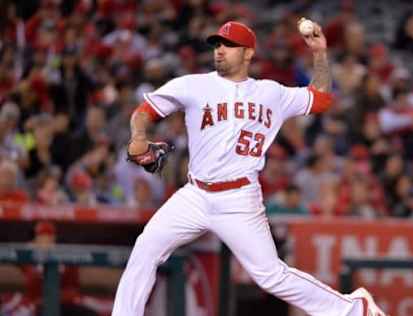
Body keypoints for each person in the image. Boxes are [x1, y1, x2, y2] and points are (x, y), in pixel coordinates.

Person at [113, 20, 386, 316]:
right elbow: (145, 111)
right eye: (217, 44)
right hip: (195, 194)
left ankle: (354, 308)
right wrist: (138, 136)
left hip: (239, 198)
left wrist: (319, 53)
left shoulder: (271, 93)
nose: (220, 51)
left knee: (271, 275)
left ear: (248, 54)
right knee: (146, 248)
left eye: (229, 46)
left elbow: (320, 99)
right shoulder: (193, 85)